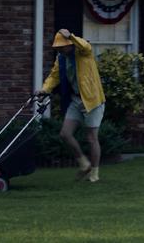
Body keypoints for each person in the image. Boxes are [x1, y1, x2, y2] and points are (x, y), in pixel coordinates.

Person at [39, 28, 106, 183]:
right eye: (57, 48)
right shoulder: (61, 58)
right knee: (65, 134)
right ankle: (84, 164)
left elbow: (86, 46)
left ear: (70, 44)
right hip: (76, 100)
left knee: (91, 138)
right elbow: (54, 76)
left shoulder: (83, 53)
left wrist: (71, 36)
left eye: (62, 47)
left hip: (92, 100)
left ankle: (94, 173)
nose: (60, 50)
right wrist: (44, 90)